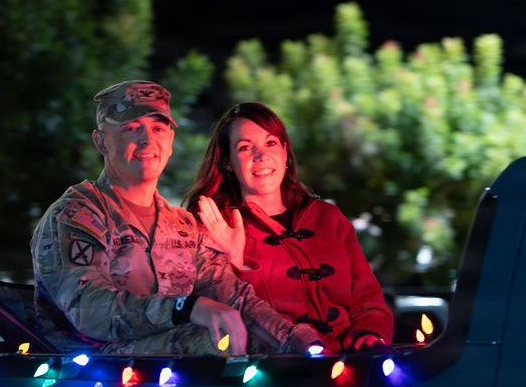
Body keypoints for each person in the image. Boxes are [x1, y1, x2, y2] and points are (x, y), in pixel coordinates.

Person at [31, 81, 320, 356]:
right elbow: (89, 310)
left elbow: (234, 298)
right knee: (218, 339)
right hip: (86, 369)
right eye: (131, 128)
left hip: (168, 370)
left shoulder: (183, 226)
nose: (148, 139)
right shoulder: (77, 215)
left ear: (170, 141)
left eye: (158, 128)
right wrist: (185, 307)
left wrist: (294, 339)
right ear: (101, 142)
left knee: (264, 339)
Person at [184, 102, 394, 353]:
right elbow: (230, 317)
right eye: (245, 147)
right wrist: (236, 261)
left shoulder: (328, 217)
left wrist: (369, 334)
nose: (260, 156)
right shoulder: (212, 226)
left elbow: (367, 297)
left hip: (352, 360)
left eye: (270, 143)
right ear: (228, 162)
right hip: (279, 365)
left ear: (284, 151)